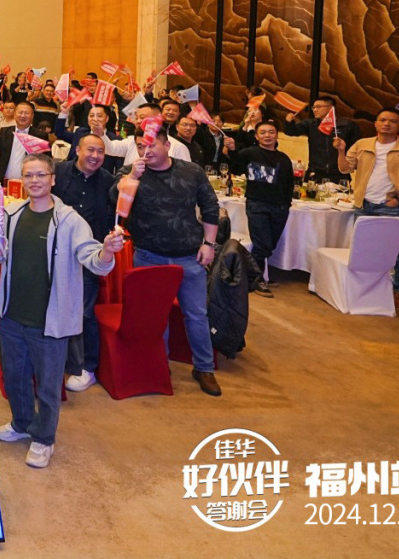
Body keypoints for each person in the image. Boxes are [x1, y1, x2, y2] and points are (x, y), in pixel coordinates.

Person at [0, 153, 121, 468]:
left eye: (41, 175)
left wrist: (106, 251)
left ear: (52, 179)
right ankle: (22, 423)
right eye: (29, 175)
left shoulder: (70, 221)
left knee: (48, 385)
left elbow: (93, 259)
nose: (34, 181)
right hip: (12, 315)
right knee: (15, 378)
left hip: (50, 320)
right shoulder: (11, 214)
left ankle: (44, 438)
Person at [113, 125, 223, 395]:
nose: (146, 151)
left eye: (152, 145)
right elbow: (113, 202)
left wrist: (209, 244)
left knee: (196, 314)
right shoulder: (130, 172)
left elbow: (210, 206)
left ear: (167, 145)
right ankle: (159, 364)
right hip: (148, 255)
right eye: (141, 146)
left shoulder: (191, 171)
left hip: (189, 255)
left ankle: (204, 367)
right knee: (154, 316)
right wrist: (132, 177)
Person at [336, 110, 399, 308]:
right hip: (363, 204)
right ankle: (364, 288)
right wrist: (341, 150)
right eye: (383, 120)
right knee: (363, 248)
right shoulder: (362, 144)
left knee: (397, 250)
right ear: (375, 124)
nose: (387, 124)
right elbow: (345, 168)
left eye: (393, 121)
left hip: (391, 207)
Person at [53, 135, 117, 391]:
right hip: (56, 250)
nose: (95, 156)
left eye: (100, 152)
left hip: (90, 253)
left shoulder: (108, 181)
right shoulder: (58, 172)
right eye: (90, 150)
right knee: (54, 306)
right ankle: (58, 360)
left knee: (84, 311)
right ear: (77, 150)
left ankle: (86, 366)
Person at [228, 120, 295, 297]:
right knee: (261, 243)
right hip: (257, 204)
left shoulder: (284, 158)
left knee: (269, 244)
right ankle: (255, 280)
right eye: (263, 132)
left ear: (277, 135)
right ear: (257, 136)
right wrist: (232, 150)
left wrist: (286, 205)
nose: (267, 135)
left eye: (271, 132)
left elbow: (289, 183)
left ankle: (259, 275)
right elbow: (235, 167)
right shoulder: (249, 153)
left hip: (280, 206)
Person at [282, 95, 358, 181]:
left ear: (331, 108)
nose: (315, 110)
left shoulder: (347, 125)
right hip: (315, 173)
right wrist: (288, 122)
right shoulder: (311, 124)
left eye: (318, 107)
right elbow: (290, 131)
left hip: (339, 174)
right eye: (313, 107)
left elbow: (356, 147)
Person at [0, 101, 38, 187]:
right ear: (15, 115)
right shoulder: (5, 132)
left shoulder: (39, 136)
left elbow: (46, 161)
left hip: (29, 184)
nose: (23, 116)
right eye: (20, 112)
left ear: (32, 116)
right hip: (4, 182)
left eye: (27, 113)